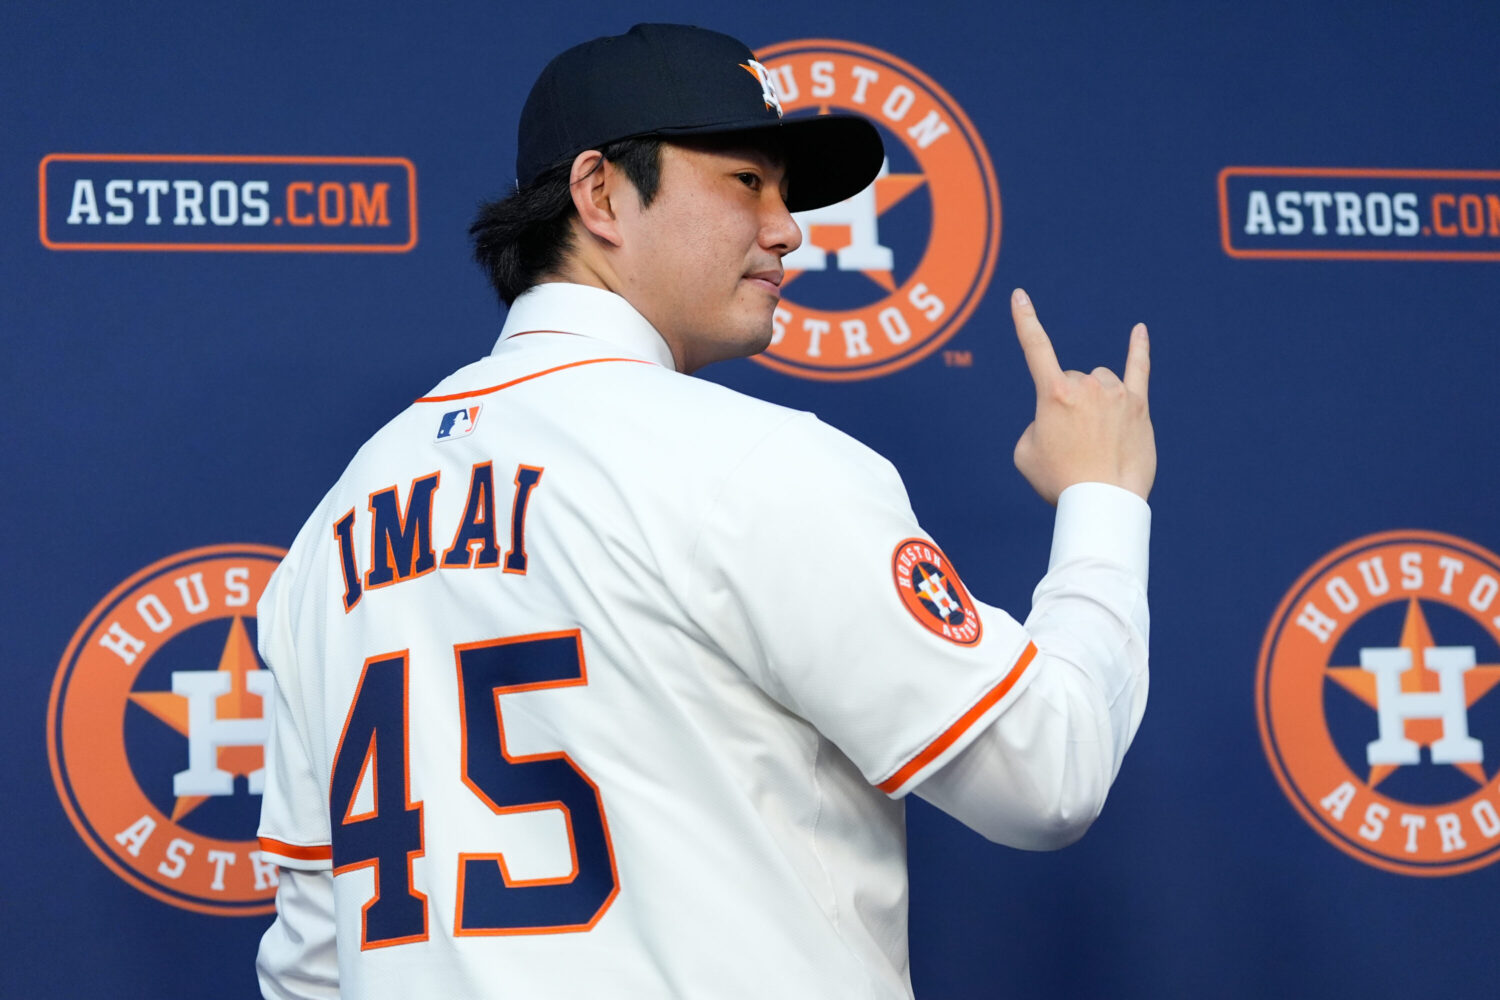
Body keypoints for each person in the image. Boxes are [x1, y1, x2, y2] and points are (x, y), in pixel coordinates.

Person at [254, 22, 1154, 1000]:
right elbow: (1048, 773)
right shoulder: (755, 463)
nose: (787, 228)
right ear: (599, 193)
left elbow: (312, 962)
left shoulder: (333, 527)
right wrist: (1102, 500)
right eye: (745, 182)